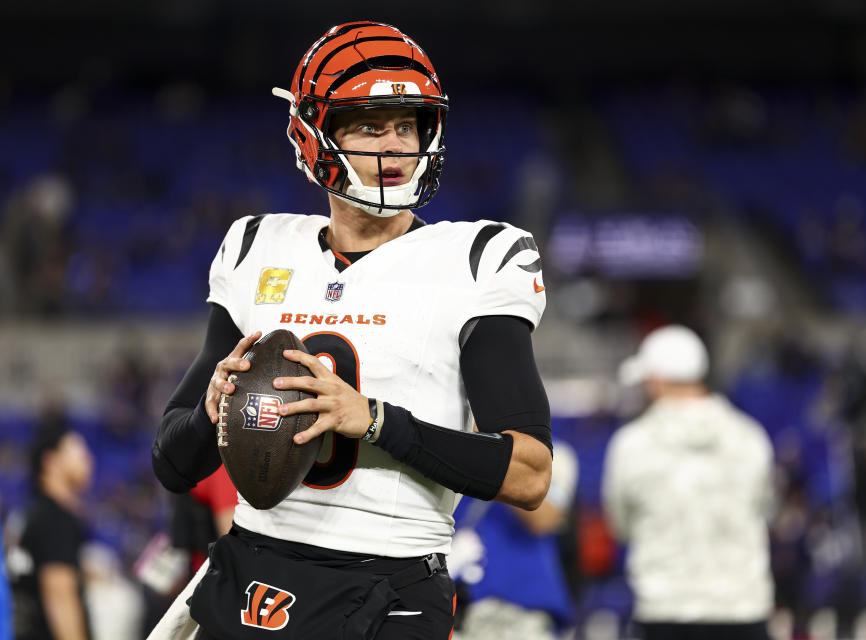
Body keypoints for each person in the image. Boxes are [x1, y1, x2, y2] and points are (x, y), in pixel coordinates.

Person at [149, 21, 552, 640]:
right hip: (253, 568)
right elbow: (174, 466)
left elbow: (530, 475)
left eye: (407, 125)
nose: (395, 145)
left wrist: (375, 419)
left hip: (390, 583)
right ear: (315, 134)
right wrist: (210, 414)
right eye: (369, 125)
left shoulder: (477, 259)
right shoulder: (256, 248)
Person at [602, 325, 775, 640]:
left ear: (656, 379)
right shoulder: (750, 437)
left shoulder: (632, 444)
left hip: (665, 610)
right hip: (742, 608)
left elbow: (620, 526)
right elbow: (766, 510)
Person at [451, 440, 578, 640]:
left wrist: (494, 454)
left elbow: (544, 519)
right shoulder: (454, 447)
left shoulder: (554, 453)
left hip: (523, 614)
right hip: (462, 609)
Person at [8, 421, 94, 640]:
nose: (89, 461)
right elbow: (60, 600)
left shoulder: (32, 512)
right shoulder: (55, 518)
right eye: (79, 453)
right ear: (51, 461)